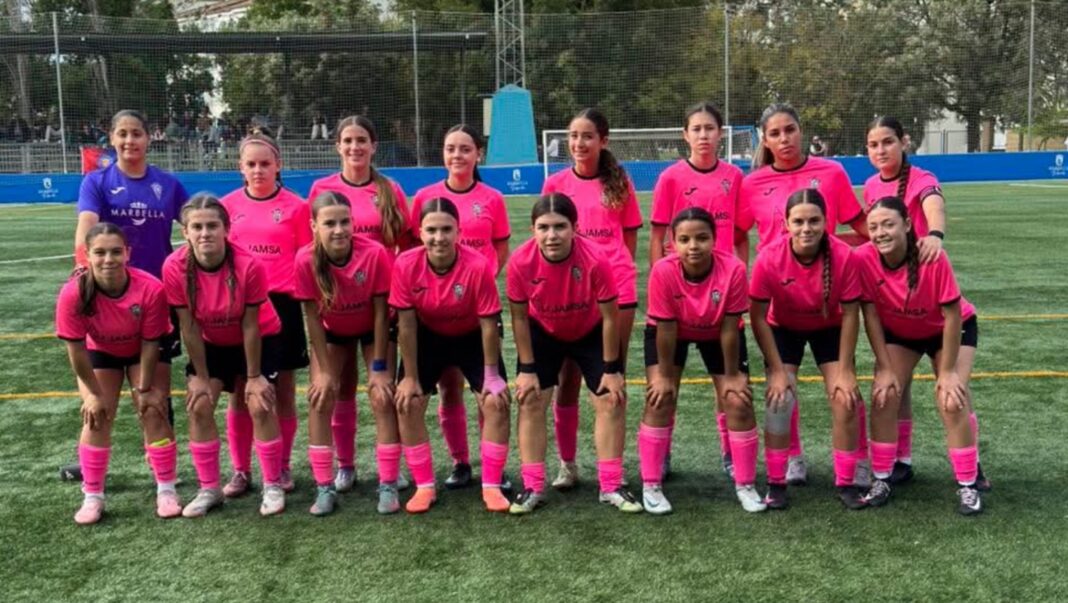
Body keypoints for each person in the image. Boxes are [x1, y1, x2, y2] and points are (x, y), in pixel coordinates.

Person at [737, 103, 868, 486]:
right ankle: (791, 458)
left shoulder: (832, 173)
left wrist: (833, 245)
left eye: (790, 130)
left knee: (845, 390)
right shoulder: (752, 183)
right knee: (781, 393)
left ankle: (858, 460)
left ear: (801, 130)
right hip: (781, 307)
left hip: (828, 305)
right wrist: (743, 271)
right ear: (764, 140)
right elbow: (736, 233)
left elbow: (862, 227)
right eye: (775, 133)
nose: (784, 139)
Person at [66, 109, 189, 482]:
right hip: (108, 300)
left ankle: (161, 464)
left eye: (137, 133)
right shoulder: (97, 182)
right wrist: (84, 270)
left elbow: (195, 224)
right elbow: (86, 228)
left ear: (149, 138)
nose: (129, 141)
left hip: (156, 299)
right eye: (122, 134)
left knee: (155, 391)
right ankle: (91, 461)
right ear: (112, 138)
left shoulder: (167, 184)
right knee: (99, 393)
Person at [508, 193, 639, 514]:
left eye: (560, 227)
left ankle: (611, 485)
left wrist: (612, 368)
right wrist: (527, 369)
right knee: (530, 398)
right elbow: (519, 318)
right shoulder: (520, 262)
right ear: (532, 230)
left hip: (589, 329)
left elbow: (610, 316)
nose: (552, 235)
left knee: (610, 397)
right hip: (543, 331)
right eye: (543, 227)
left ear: (575, 228)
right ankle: (533, 486)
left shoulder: (595, 258)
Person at [855, 197, 984, 515]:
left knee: (952, 399)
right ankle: (882, 478)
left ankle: (969, 482)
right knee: (884, 395)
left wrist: (948, 371)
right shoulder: (864, 258)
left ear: (908, 224)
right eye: (874, 227)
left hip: (949, 329)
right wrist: (885, 368)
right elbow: (870, 316)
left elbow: (952, 316)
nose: (880, 233)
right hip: (901, 333)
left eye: (888, 224)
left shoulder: (931, 256)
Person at [162, 194, 285, 518]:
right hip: (210, 340)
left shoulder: (248, 265)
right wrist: (201, 377)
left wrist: (255, 377)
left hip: (259, 335)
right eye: (197, 227)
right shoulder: (174, 267)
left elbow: (251, 324)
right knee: (200, 404)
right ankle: (209, 488)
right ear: (185, 232)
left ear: (226, 229)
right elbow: (188, 326)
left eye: (212, 226)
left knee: (258, 402)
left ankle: (272, 484)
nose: (205, 233)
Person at [306, 115, 411, 491]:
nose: (355, 147)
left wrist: (399, 290)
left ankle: (391, 469)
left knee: (383, 388)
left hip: (379, 305)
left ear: (373, 145)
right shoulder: (322, 189)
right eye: (348, 140)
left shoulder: (390, 190)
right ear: (337, 146)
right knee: (339, 388)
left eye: (361, 140)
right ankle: (345, 466)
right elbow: (313, 248)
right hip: (335, 308)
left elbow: (406, 245)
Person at [748, 189, 869, 511]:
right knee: (779, 400)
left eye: (814, 220)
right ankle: (777, 481)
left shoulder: (844, 256)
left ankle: (846, 481)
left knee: (845, 398)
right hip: (783, 329)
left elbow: (852, 314)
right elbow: (758, 317)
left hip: (830, 327)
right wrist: (777, 371)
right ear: (786, 224)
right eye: (798, 221)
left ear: (826, 222)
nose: (806, 228)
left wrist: (846, 370)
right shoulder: (769, 258)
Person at [540, 108, 642, 490]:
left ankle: (611, 471)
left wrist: (613, 273)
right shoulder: (555, 183)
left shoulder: (620, 182)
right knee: (566, 380)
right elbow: (548, 237)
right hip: (571, 291)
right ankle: (567, 465)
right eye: (573, 135)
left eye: (587, 136)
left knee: (612, 380)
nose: (579, 143)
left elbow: (628, 239)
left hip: (616, 290)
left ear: (603, 140)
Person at [390, 198, 511, 514]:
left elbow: (489, 324)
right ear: (420, 232)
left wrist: (492, 376)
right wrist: (410, 377)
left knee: (496, 401)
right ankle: (424, 486)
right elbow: (406, 324)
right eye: (431, 230)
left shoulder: (477, 265)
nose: (439, 237)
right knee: (408, 401)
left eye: (446, 230)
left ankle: (492, 485)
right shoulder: (405, 264)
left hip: (472, 335)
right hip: (428, 336)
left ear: (459, 232)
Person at [649, 101, 747, 479]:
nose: (703, 135)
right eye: (697, 129)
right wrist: (661, 279)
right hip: (678, 292)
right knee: (665, 383)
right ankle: (662, 454)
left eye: (710, 128)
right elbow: (658, 236)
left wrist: (741, 274)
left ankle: (730, 452)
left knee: (728, 385)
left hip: (721, 294)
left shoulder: (734, 176)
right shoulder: (670, 178)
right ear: (685, 134)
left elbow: (740, 235)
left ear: (720, 133)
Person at [409, 125, 511, 489]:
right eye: (450, 148)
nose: (457, 155)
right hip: (435, 310)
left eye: (465, 149)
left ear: (478, 154)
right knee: (448, 388)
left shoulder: (493, 198)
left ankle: (492, 468)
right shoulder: (425, 197)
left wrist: (479, 281)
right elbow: (415, 250)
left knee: (487, 393)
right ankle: (460, 462)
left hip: (477, 310)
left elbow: (500, 247)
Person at [56, 223, 178, 524]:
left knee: (153, 409)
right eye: (100, 253)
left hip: (142, 351)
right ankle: (93, 495)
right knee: (97, 414)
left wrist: (144, 389)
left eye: (115, 252)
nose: (108, 259)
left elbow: (151, 343)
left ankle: (166, 489)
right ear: (87, 255)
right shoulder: (73, 293)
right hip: (101, 351)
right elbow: (77, 351)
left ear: (127, 253)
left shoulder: (150, 288)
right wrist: (93, 395)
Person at [642, 207, 756, 514]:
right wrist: (664, 376)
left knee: (738, 400)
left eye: (702, 238)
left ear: (714, 240)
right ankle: (651, 483)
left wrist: (731, 376)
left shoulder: (733, 269)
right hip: (670, 332)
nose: (693, 246)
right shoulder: (663, 271)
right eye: (684, 239)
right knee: (660, 397)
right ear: (673, 243)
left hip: (718, 331)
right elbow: (666, 328)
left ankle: (745, 482)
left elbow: (731, 327)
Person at [295, 191, 399, 515]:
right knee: (321, 396)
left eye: (344, 222)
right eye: (329, 223)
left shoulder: (374, 253)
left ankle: (389, 482)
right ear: (314, 226)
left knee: (382, 395)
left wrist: (379, 367)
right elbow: (312, 318)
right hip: (333, 332)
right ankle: (327, 484)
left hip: (373, 330)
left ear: (353, 222)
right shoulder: (305, 259)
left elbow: (381, 313)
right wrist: (324, 372)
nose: (339, 230)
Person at [219, 133, 311, 498]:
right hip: (240, 307)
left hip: (282, 306)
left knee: (282, 391)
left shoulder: (297, 207)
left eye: (265, 163)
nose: (258, 170)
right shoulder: (226, 206)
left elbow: (305, 258)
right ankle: (241, 470)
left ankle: (282, 465)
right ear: (240, 168)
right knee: (241, 391)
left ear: (278, 166)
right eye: (251, 164)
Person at [863, 116, 952, 482]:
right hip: (896, 302)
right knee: (895, 388)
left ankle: (972, 470)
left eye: (888, 142)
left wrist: (935, 235)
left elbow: (933, 205)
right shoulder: (871, 186)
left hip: (927, 291)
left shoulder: (921, 178)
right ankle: (901, 460)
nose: (881, 150)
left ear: (904, 142)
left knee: (952, 390)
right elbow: (872, 236)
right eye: (873, 145)